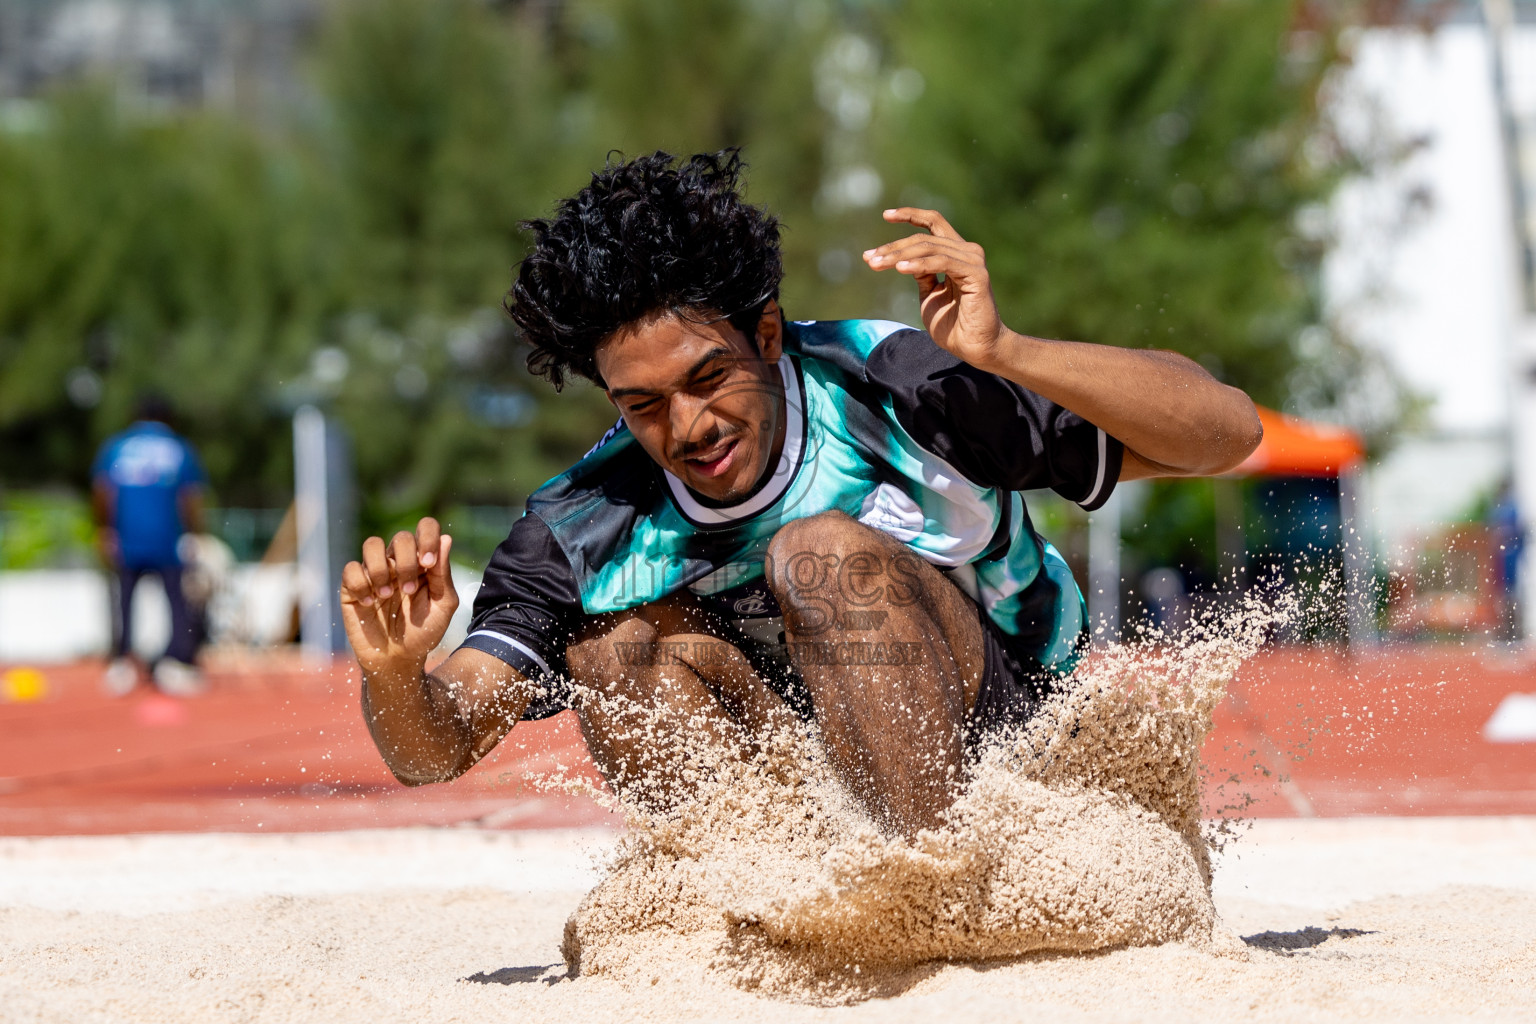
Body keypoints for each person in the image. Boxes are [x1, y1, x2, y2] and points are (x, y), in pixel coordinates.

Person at [340, 151, 1263, 837]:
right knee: (610, 648)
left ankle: (931, 883)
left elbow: (1227, 434)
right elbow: (436, 750)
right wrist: (394, 672)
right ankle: (748, 897)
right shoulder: (582, 522)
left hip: (1005, 730)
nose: (690, 425)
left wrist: (1006, 354)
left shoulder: (897, 385)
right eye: (645, 404)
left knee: (816, 555)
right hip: (794, 757)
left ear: (769, 337)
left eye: (710, 378)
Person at [92, 395, 208, 697]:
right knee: (176, 603)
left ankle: (121, 664)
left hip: (127, 537)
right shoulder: (178, 447)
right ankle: (177, 663)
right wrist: (194, 532)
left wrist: (105, 528)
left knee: (123, 602)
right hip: (167, 538)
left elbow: (103, 491)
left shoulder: (116, 445)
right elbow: (190, 496)